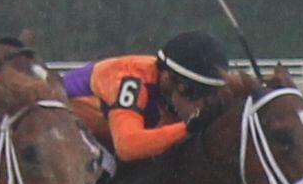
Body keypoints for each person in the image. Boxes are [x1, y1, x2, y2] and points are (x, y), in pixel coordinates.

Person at [61, 30, 229, 163]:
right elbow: (127, 147)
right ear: (167, 78)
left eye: (208, 96)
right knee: (105, 167)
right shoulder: (131, 81)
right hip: (57, 125)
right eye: (195, 93)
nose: (199, 107)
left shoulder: (167, 90)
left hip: (99, 138)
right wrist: (187, 127)